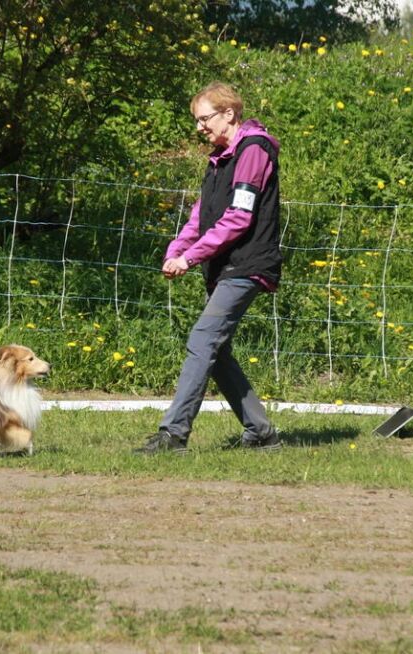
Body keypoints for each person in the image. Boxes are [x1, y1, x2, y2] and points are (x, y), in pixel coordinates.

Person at [134, 81, 283, 455]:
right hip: (225, 265)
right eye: (197, 120)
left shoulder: (253, 150)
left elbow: (238, 218)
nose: (199, 127)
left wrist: (191, 257)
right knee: (216, 351)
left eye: (204, 119)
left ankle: (174, 434)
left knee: (202, 340)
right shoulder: (219, 159)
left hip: (247, 263)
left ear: (229, 114)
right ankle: (261, 432)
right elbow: (201, 214)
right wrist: (177, 248)